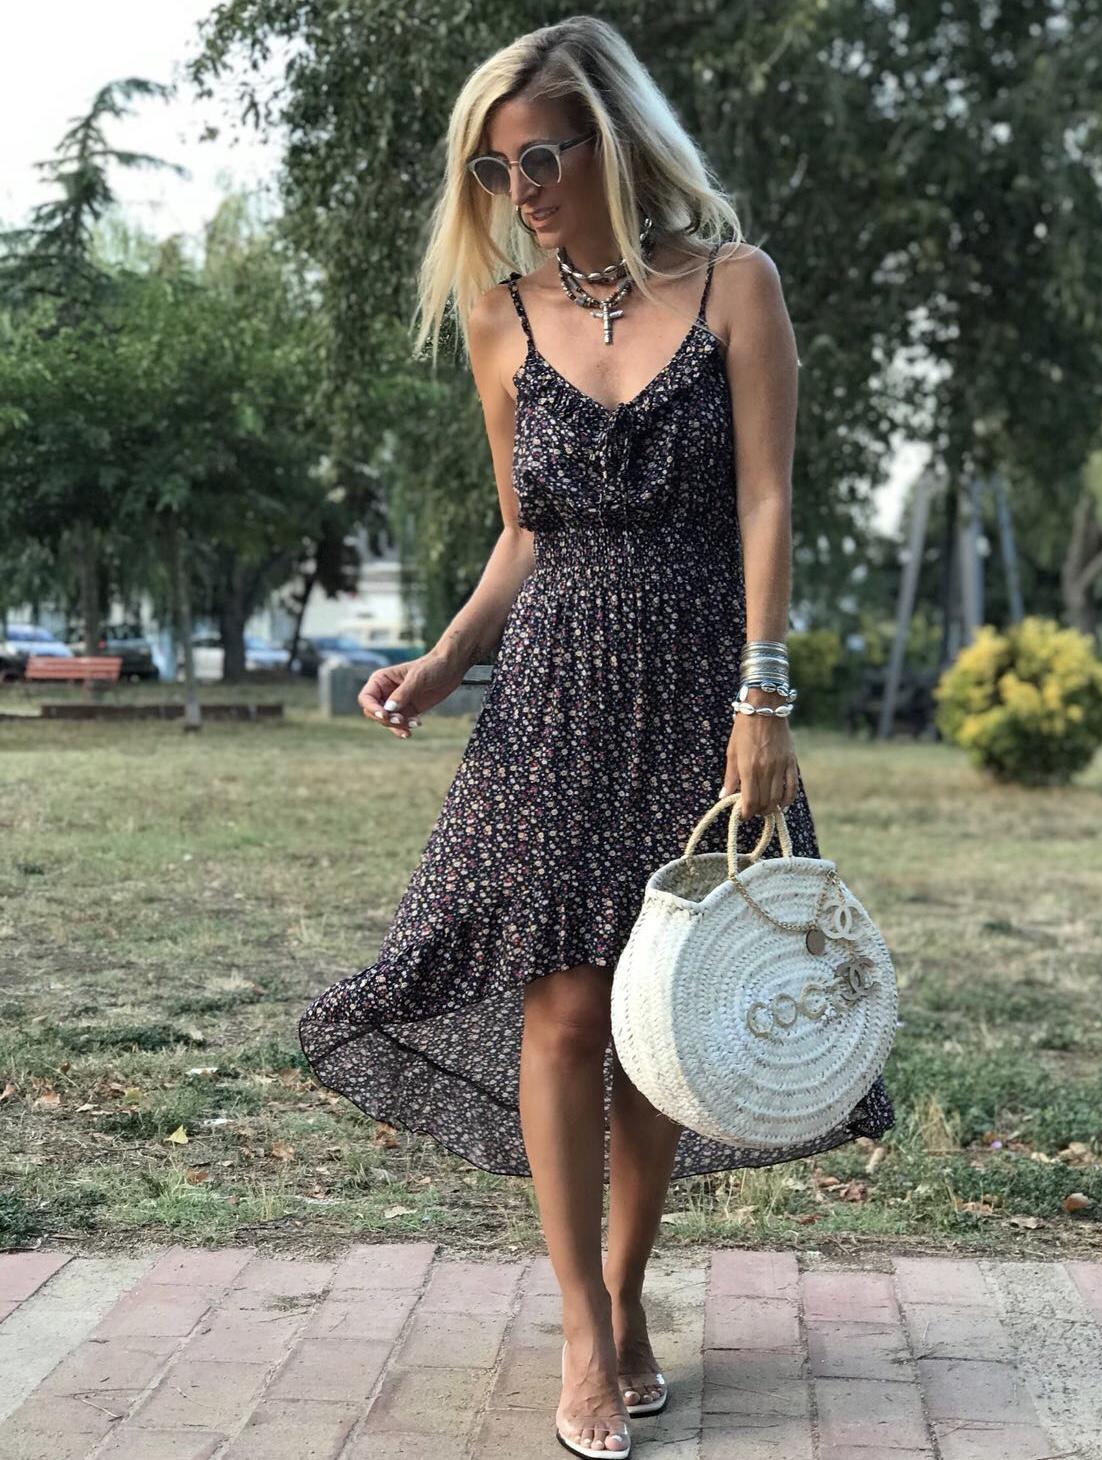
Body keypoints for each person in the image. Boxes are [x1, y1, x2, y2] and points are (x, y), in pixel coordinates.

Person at [298, 15, 895, 1458]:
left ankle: (629, 1294)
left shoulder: (735, 286)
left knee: (659, 1012)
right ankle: (581, 1328)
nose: (523, 192)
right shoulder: (498, 315)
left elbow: (765, 503)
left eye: (543, 158)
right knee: (563, 1010)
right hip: (555, 694)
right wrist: (442, 660)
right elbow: (523, 532)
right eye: (494, 172)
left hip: (699, 681)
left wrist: (764, 698)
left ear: (614, 143)